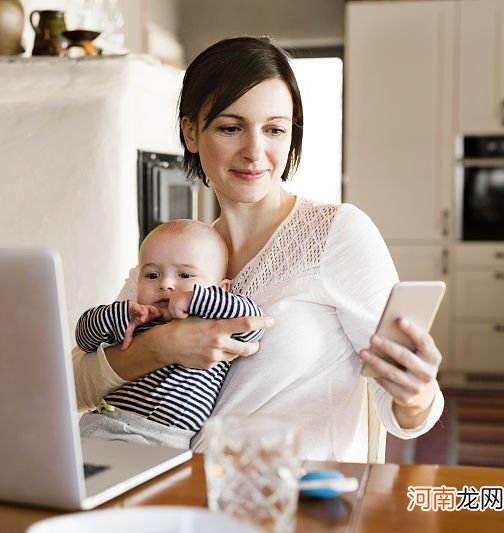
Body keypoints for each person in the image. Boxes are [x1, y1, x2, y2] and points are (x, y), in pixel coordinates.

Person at [72, 36, 445, 462]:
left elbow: (405, 412)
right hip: (179, 494)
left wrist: (415, 395)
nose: (255, 152)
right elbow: (78, 385)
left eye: (274, 129)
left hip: (293, 504)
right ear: (191, 132)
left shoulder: (337, 233)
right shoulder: (175, 253)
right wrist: (164, 346)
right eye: (231, 128)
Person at [75, 219, 265, 450]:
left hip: (163, 440)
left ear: (221, 289)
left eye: (185, 276)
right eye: (152, 275)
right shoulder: (139, 319)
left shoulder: (217, 323)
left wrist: (195, 299)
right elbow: (84, 338)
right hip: (102, 425)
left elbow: (253, 323)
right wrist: (121, 314)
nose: (166, 283)